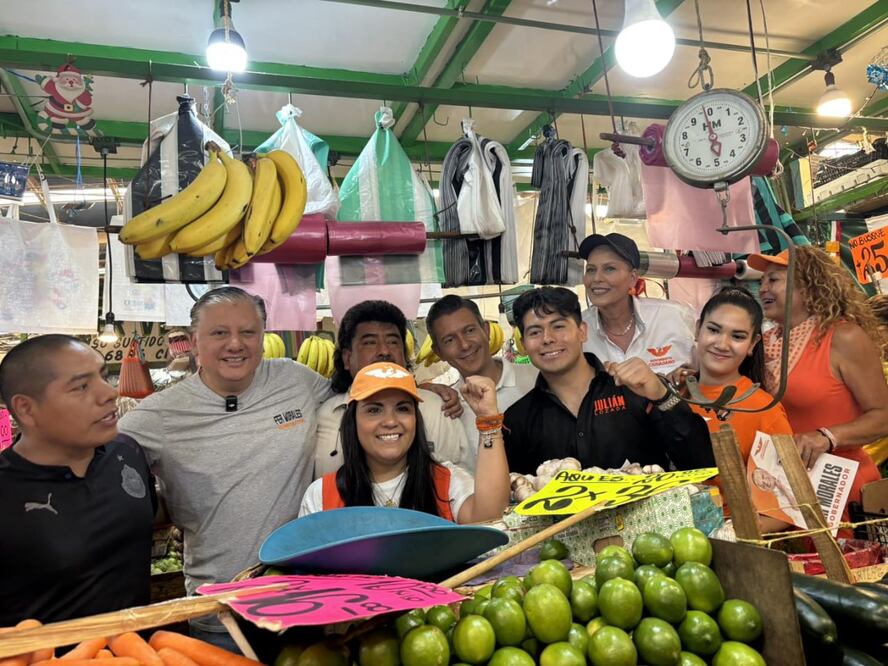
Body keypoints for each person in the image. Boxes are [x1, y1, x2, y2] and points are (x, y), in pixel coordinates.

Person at [118, 287, 331, 646]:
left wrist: (434, 392)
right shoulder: (161, 414)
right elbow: (99, 458)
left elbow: (357, 404)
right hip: (219, 611)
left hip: (302, 604)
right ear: (194, 342)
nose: (236, 344)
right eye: (219, 333)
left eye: (248, 332)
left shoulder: (297, 381)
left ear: (263, 338)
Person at [0, 335, 155, 625]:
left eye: (104, 376)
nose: (109, 392)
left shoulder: (127, 453)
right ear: (26, 409)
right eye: (81, 386)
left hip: (139, 653)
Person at [502, 286, 714, 474]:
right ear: (524, 344)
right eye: (535, 332)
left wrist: (663, 396)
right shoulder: (518, 419)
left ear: (582, 331)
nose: (547, 339)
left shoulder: (635, 390)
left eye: (558, 326)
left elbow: (703, 464)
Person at [749, 246, 888, 509]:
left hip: (843, 492)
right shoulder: (761, 345)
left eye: (774, 279)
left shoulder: (843, 338)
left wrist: (826, 437)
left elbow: (883, 417)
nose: (763, 288)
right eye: (761, 281)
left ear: (809, 285)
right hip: (784, 494)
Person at [300, 362, 509, 523]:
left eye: (402, 408)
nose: (390, 421)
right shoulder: (321, 496)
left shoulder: (446, 481)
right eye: (374, 410)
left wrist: (489, 420)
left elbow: (488, 516)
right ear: (352, 422)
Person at [314, 300, 471, 477]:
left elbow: (462, 479)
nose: (384, 351)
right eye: (370, 343)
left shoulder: (437, 407)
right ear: (347, 358)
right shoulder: (323, 416)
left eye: (393, 341)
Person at [671, 287, 792, 461]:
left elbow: (780, 484)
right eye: (713, 330)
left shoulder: (765, 411)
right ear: (698, 329)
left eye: (738, 336)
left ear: (752, 343)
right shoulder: (674, 393)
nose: (722, 344)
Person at [426, 295, 538, 472]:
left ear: (486, 330)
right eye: (449, 340)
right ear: (438, 352)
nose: (464, 345)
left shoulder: (536, 379)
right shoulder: (446, 408)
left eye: (469, 331)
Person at [579, 232, 695, 374]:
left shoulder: (675, 318)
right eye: (591, 270)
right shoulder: (576, 331)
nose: (596, 278)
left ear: (633, 278)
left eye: (609, 269)